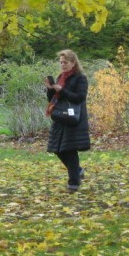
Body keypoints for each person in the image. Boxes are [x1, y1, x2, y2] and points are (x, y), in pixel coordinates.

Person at [45, 50, 90, 192]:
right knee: (57, 149)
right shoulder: (60, 77)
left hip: (73, 119)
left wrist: (62, 90)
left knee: (69, 150)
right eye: (61, 62)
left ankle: (73, 183)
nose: (63, 65)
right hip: (59, 118)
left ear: (73, 62)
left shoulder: (80, 78)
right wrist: (50, 89)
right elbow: (53, 99)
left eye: (65, 62)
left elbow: (79, 98)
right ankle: (77, 170)